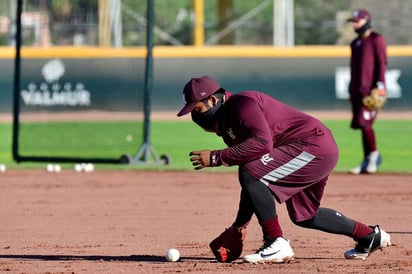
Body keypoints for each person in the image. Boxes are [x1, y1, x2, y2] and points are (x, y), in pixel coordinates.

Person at [177, 75, 391, 263]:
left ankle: (276, 241)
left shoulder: (242, 105)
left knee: (250, 172)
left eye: (197, 108)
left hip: (312, 147)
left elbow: (262, 145)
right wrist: (239, 227)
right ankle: (369, 236)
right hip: (311, 149)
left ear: (213, 100)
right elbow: (253, 179)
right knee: (305, 215)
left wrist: (216, 157)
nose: (195, 115)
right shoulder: (226, 124)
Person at [347, 9, 387, 174]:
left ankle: (374, 156)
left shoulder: (376, 39)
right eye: (353, 21)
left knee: (365, 123)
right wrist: (351, 89)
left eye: (357, 21)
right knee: (362, 125)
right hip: (357, 90)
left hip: (371, 91)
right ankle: (367, 160)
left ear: (366, 20)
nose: (355, 24)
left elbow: (382, 63)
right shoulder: (355, 43)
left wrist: (380, 86)